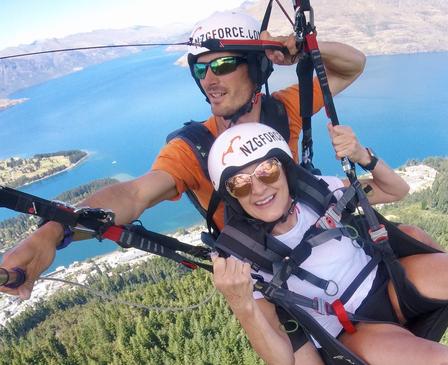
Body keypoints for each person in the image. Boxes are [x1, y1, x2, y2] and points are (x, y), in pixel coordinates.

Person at [0, 11, 365, 299]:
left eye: (222, 66)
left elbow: (352, 64)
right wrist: (50, 232)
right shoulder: (194, 148)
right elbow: (134, 194)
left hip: (319, 242)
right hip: (269, 273)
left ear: (257, 69)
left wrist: (299, 49)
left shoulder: (283, 111)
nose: (210, 80)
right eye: (201, 69)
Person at [207, 122, 448, 365]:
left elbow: (396, 189)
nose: (258, 188)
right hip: (354, 326)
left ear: (284, 168)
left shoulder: (319, 191)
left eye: (267, 171)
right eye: (240, 184)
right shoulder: (244, 258)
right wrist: (242, 305)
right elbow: (281, 359)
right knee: (443, 362)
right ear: (231, 196)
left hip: (390, 282)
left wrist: (362, 156)